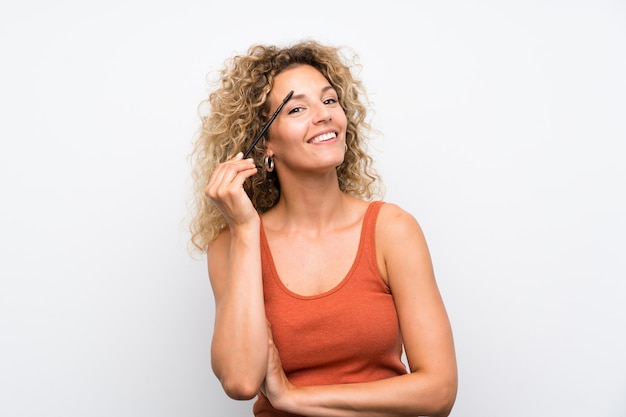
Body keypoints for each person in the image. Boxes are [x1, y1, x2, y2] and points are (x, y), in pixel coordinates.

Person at [189, 39, 457, 417]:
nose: (324, 115)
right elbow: (240, 380)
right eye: (297, 108)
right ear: (265, 144)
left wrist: (293, 398)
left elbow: (439, 392)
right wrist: (246, 230)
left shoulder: (392, 230)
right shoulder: (230, 246)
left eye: (330, 101)